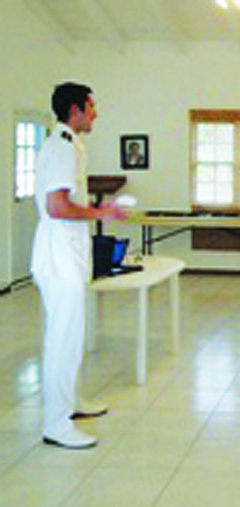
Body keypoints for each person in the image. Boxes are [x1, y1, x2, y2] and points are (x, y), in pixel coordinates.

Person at [31, 82, 127, 449]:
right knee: (62, 340)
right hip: (58, 254)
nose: (96, 113)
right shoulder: (61, 147)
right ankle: (56, 423)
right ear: (75, 110)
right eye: (92, 106)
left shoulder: (70, 144)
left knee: (72, 338)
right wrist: (103, 212)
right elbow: (57, 207)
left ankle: (70, 402)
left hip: (68, 252)